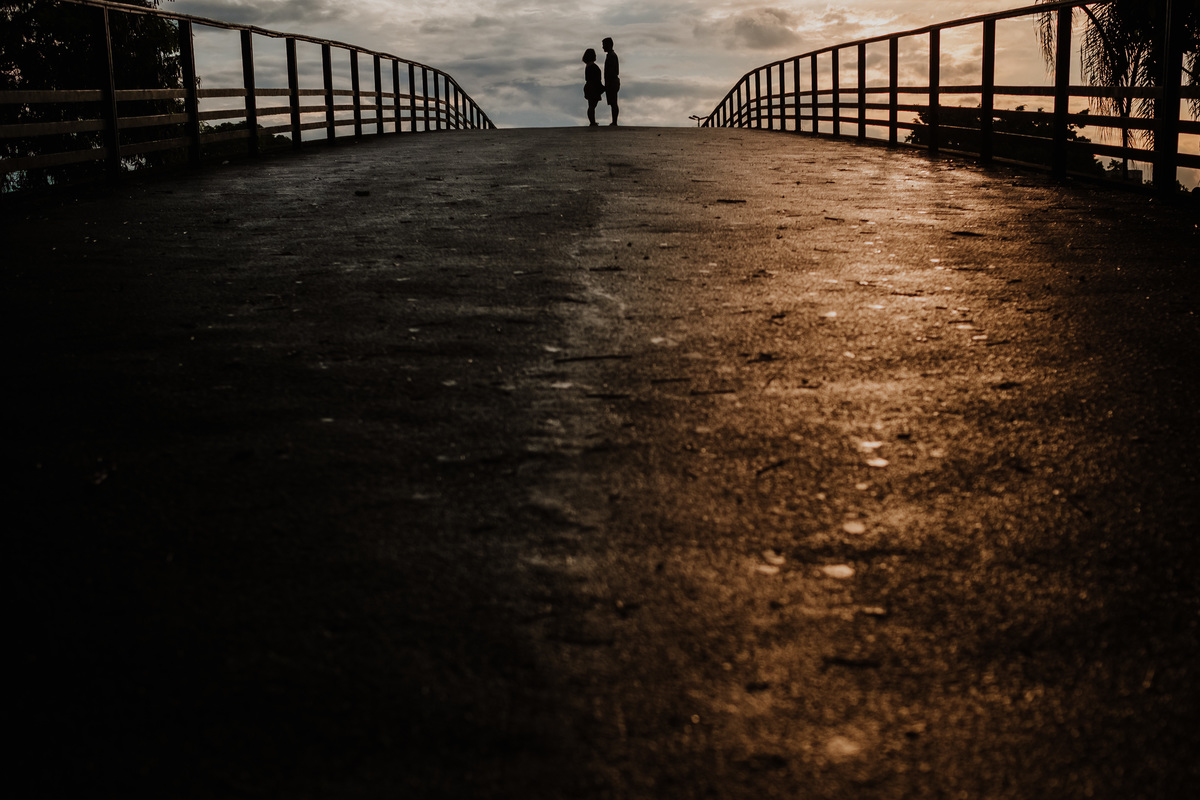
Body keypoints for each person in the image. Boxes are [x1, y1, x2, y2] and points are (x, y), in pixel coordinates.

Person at [582, 48, 604, 127]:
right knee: (592, 106)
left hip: (589, 87)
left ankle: (592, 121)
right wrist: (602, 88)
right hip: (593, 87)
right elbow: (597, 80)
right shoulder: (593, 67)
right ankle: (592, 122)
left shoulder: (588, 66)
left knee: (591, 106)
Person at [602, 37, 620, 126]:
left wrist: (608, 84)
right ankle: (614, 121)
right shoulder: (611, 55)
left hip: (612, 82)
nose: (603, 47)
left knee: (613, 103)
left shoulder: (612, 56)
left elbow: (613, 71)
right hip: (611, 81)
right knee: (613, 102)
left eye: (604, 45)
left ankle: (615, 121)